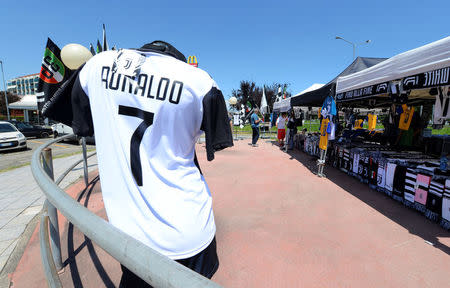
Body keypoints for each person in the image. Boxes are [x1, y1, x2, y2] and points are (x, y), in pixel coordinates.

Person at [65, 41, 233, 287]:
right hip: (189, 229)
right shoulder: (201, 82)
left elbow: (84, 127)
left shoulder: (96, 66)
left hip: (129, 233)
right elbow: (216, 140)